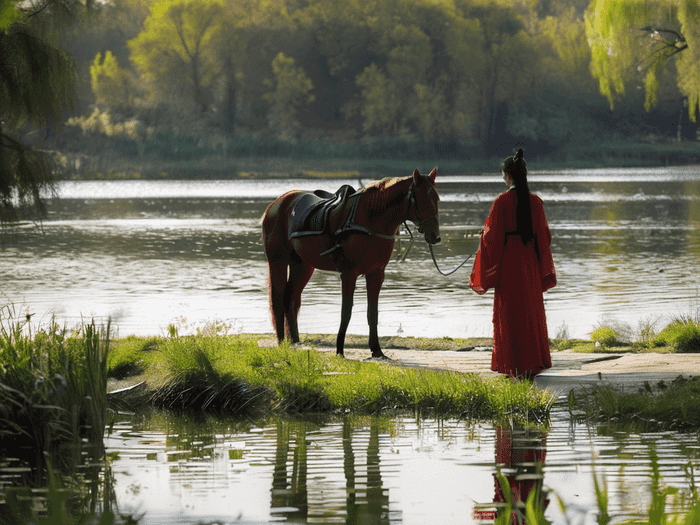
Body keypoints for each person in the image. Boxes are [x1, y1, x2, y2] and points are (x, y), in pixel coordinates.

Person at [469, 148, 556, 379]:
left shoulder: (502, 201)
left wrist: (483, 235)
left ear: (507, 175)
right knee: (530, 309)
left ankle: (513, 363)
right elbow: (545, 237)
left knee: (509, 313)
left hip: (509, 262)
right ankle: (532, 362)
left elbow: (492, 237)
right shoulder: (536, 202)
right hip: (528, 262)